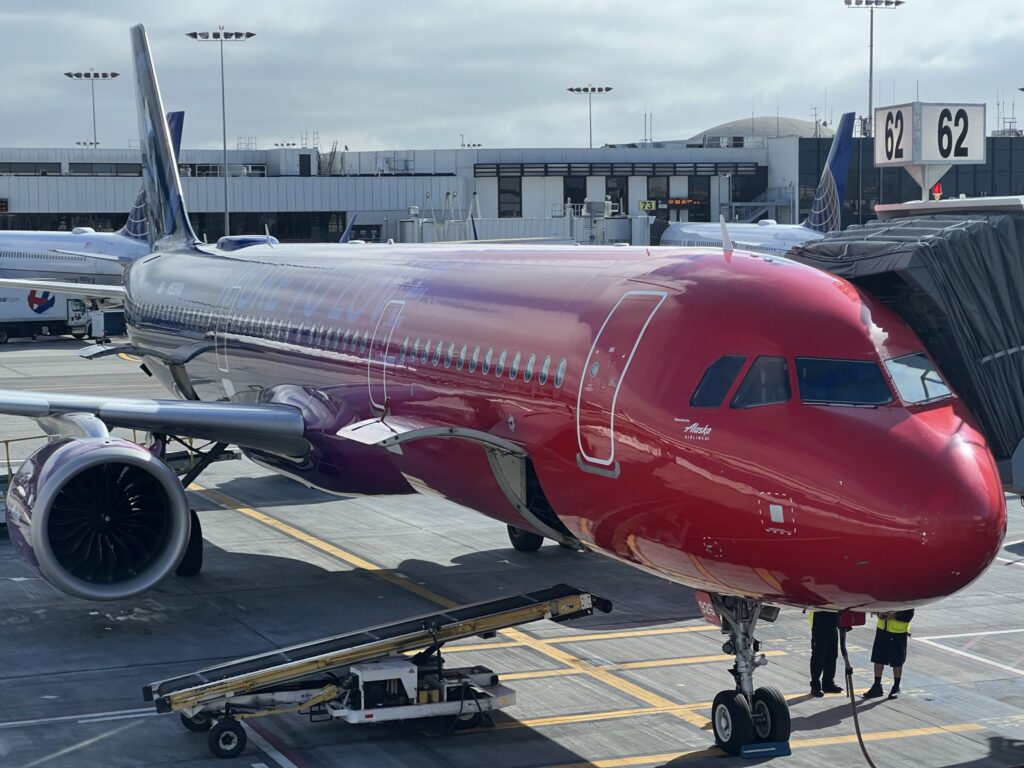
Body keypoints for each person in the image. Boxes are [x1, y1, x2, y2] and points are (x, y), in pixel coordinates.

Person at [863, 609, 915, 699]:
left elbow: (909, 615)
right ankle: (877, 685)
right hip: (882, 629)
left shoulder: (906, 596)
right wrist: (878, 612)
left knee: (897, 661)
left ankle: (896, 687)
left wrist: (894, 616)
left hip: (898, 632)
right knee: (878, 658)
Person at [809, 610, 843, 697]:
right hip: (820, 625)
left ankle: (828, 683)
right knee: (818, 656)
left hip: (833, 624)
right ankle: (815, 686)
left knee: (832, 655)